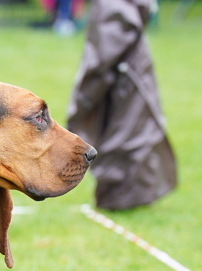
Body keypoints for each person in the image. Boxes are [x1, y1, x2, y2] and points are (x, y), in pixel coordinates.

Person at [66, 0, 176, 211]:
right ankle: (128, 197)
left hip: (124, 83)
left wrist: (83, 101)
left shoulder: (111, 6)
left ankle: (122, 199)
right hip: (131, 78)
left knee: (123, 139)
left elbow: (101, 60)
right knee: (131, 136)